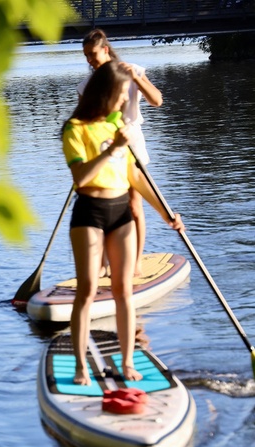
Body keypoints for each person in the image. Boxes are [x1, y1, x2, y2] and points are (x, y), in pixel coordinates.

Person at [62, 61, 184, 385]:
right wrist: (111, 149)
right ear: (105, 93)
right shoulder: (75, 128)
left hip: (121, 214)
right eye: (119, 96)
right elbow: (79, 178)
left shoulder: (120, 129)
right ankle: (79, 365)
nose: (123, 103)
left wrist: (166, 213)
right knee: (87, 291)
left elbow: (136, 178)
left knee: (123, 290)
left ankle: (128, 362)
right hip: (89, 211)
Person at [78, 28, 164, 276]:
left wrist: (136, 79)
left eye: (92, 54)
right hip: (105, 149)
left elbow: (157, 101)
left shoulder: (133, 70)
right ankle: (105, 265)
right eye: (86, 56)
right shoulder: (86, 85)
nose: (89, 61)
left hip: (132, 144)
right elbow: (83, 122)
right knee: (107, 205)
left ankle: (135, 264)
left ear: (105, 50)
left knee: (135, 206)